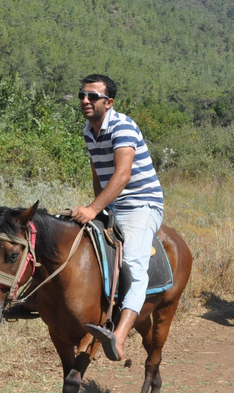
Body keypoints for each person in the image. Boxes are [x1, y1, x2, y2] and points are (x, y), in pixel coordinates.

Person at [71, 74, 163, 362]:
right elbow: (98, 175)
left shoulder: (122, 126)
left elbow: (122, 175)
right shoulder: (89, 131)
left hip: (141, 204)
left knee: (134, 265)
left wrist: (93, 209)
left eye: (93, 96)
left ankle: (120, 336)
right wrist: (99, 208)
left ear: (108, 102)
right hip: (112, 205)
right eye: (82, 95)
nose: (85, 100)